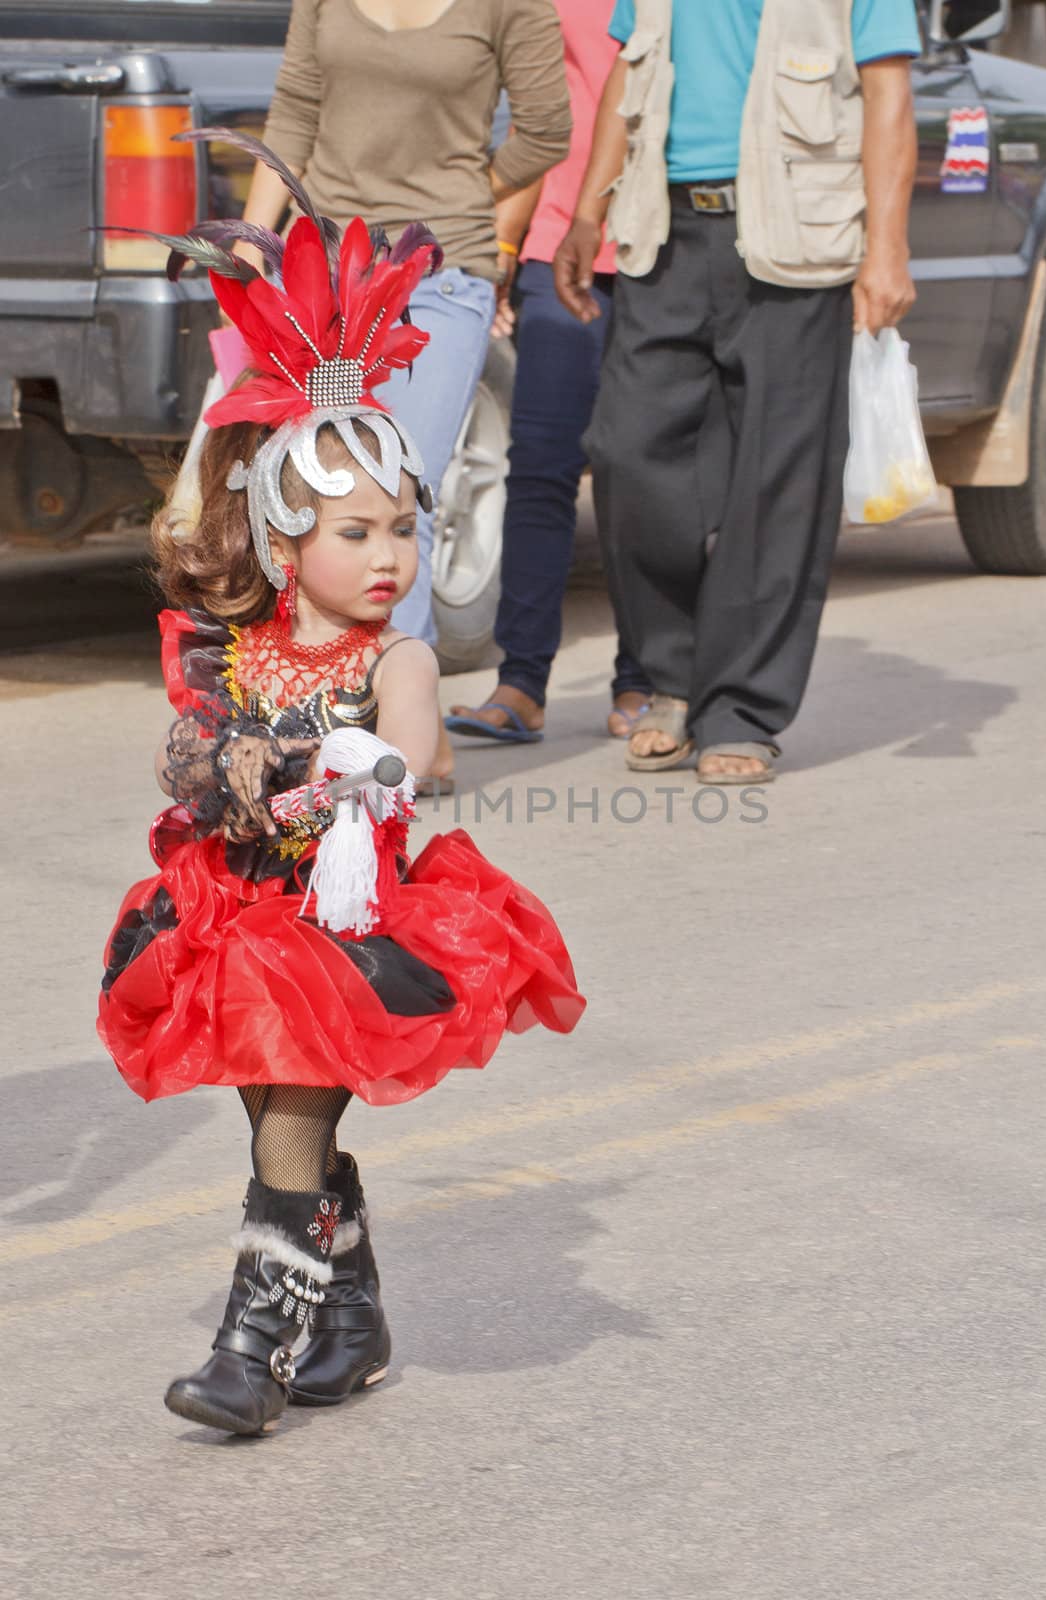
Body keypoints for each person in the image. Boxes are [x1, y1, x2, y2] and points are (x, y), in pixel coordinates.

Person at [96, 138, 585, 1437]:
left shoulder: (400, 656)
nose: (387, 555)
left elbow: (414, 757)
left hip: (341, 927)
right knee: (276, 1125)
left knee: (284, 1139)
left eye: (401, 528)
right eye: (353, 532)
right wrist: (233, 762)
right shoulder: (228, 646)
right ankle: (354, 1314)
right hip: (233, 911)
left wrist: (353, 758)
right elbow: (187, 759)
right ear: (276, 539)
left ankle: (249, 1355)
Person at [555, 0, 921, 784]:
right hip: (663, 232)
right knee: (626, 453)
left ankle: (741, 711)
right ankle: (674, 676)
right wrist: (587, 209)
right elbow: (629, 70)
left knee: (778, 481)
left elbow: (888, 93)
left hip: (794, 236)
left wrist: (886, 248)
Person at [238, 1, 571, 794]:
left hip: (438, 275)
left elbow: (545, 132)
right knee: (316, 496)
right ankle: (346, 716)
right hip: (324, 266)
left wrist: (453, 198)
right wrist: (253, 240)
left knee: (394, 496)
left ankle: (398, 731)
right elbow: (294, 111)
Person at [445, 0, 653, 747]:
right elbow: (541, 113)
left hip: (666, 244)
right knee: (537, 464)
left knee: (641, 471)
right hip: (560, 242)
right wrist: (504, 243)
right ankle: (521, 682)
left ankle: (644, 677)